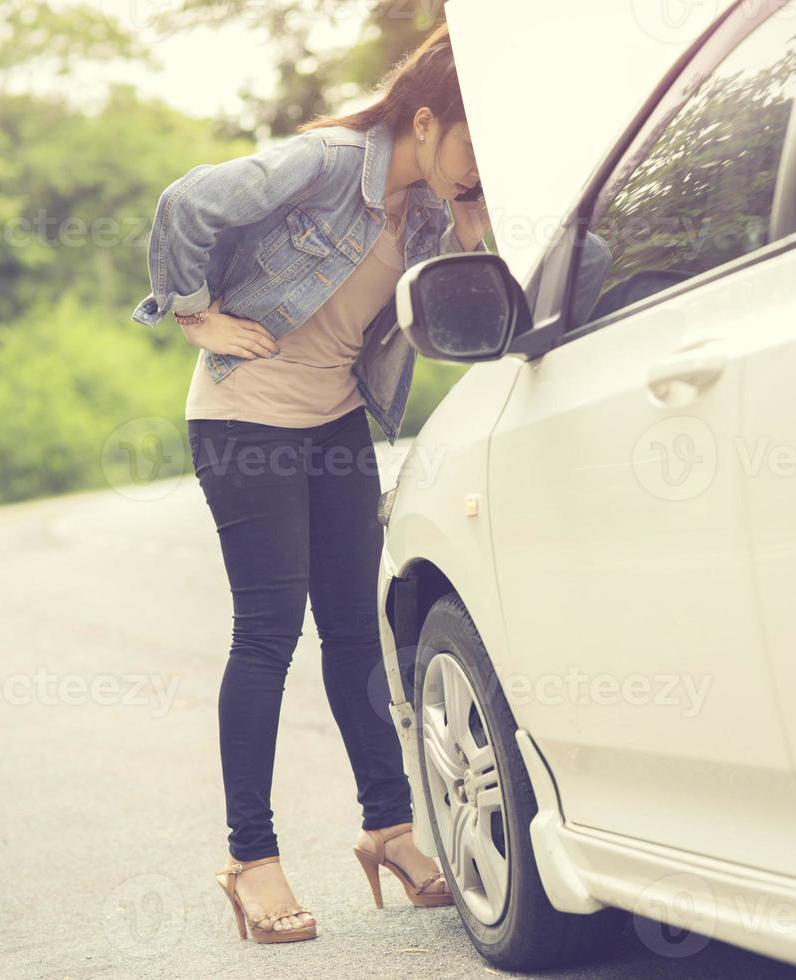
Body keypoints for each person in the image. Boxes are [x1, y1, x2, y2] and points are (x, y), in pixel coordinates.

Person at [131, 23, 487, 944]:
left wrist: (475, 230)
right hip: (243, 422)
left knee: (352, 633)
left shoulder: (431, 211)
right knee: (267, 635)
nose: (476, 166)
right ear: (423, 119)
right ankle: (252, 860)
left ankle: (391, 829)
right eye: (471, 145)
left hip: (334, 424)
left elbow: (470, 307)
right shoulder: (331, 162)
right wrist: (193, 314)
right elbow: (189, 201)